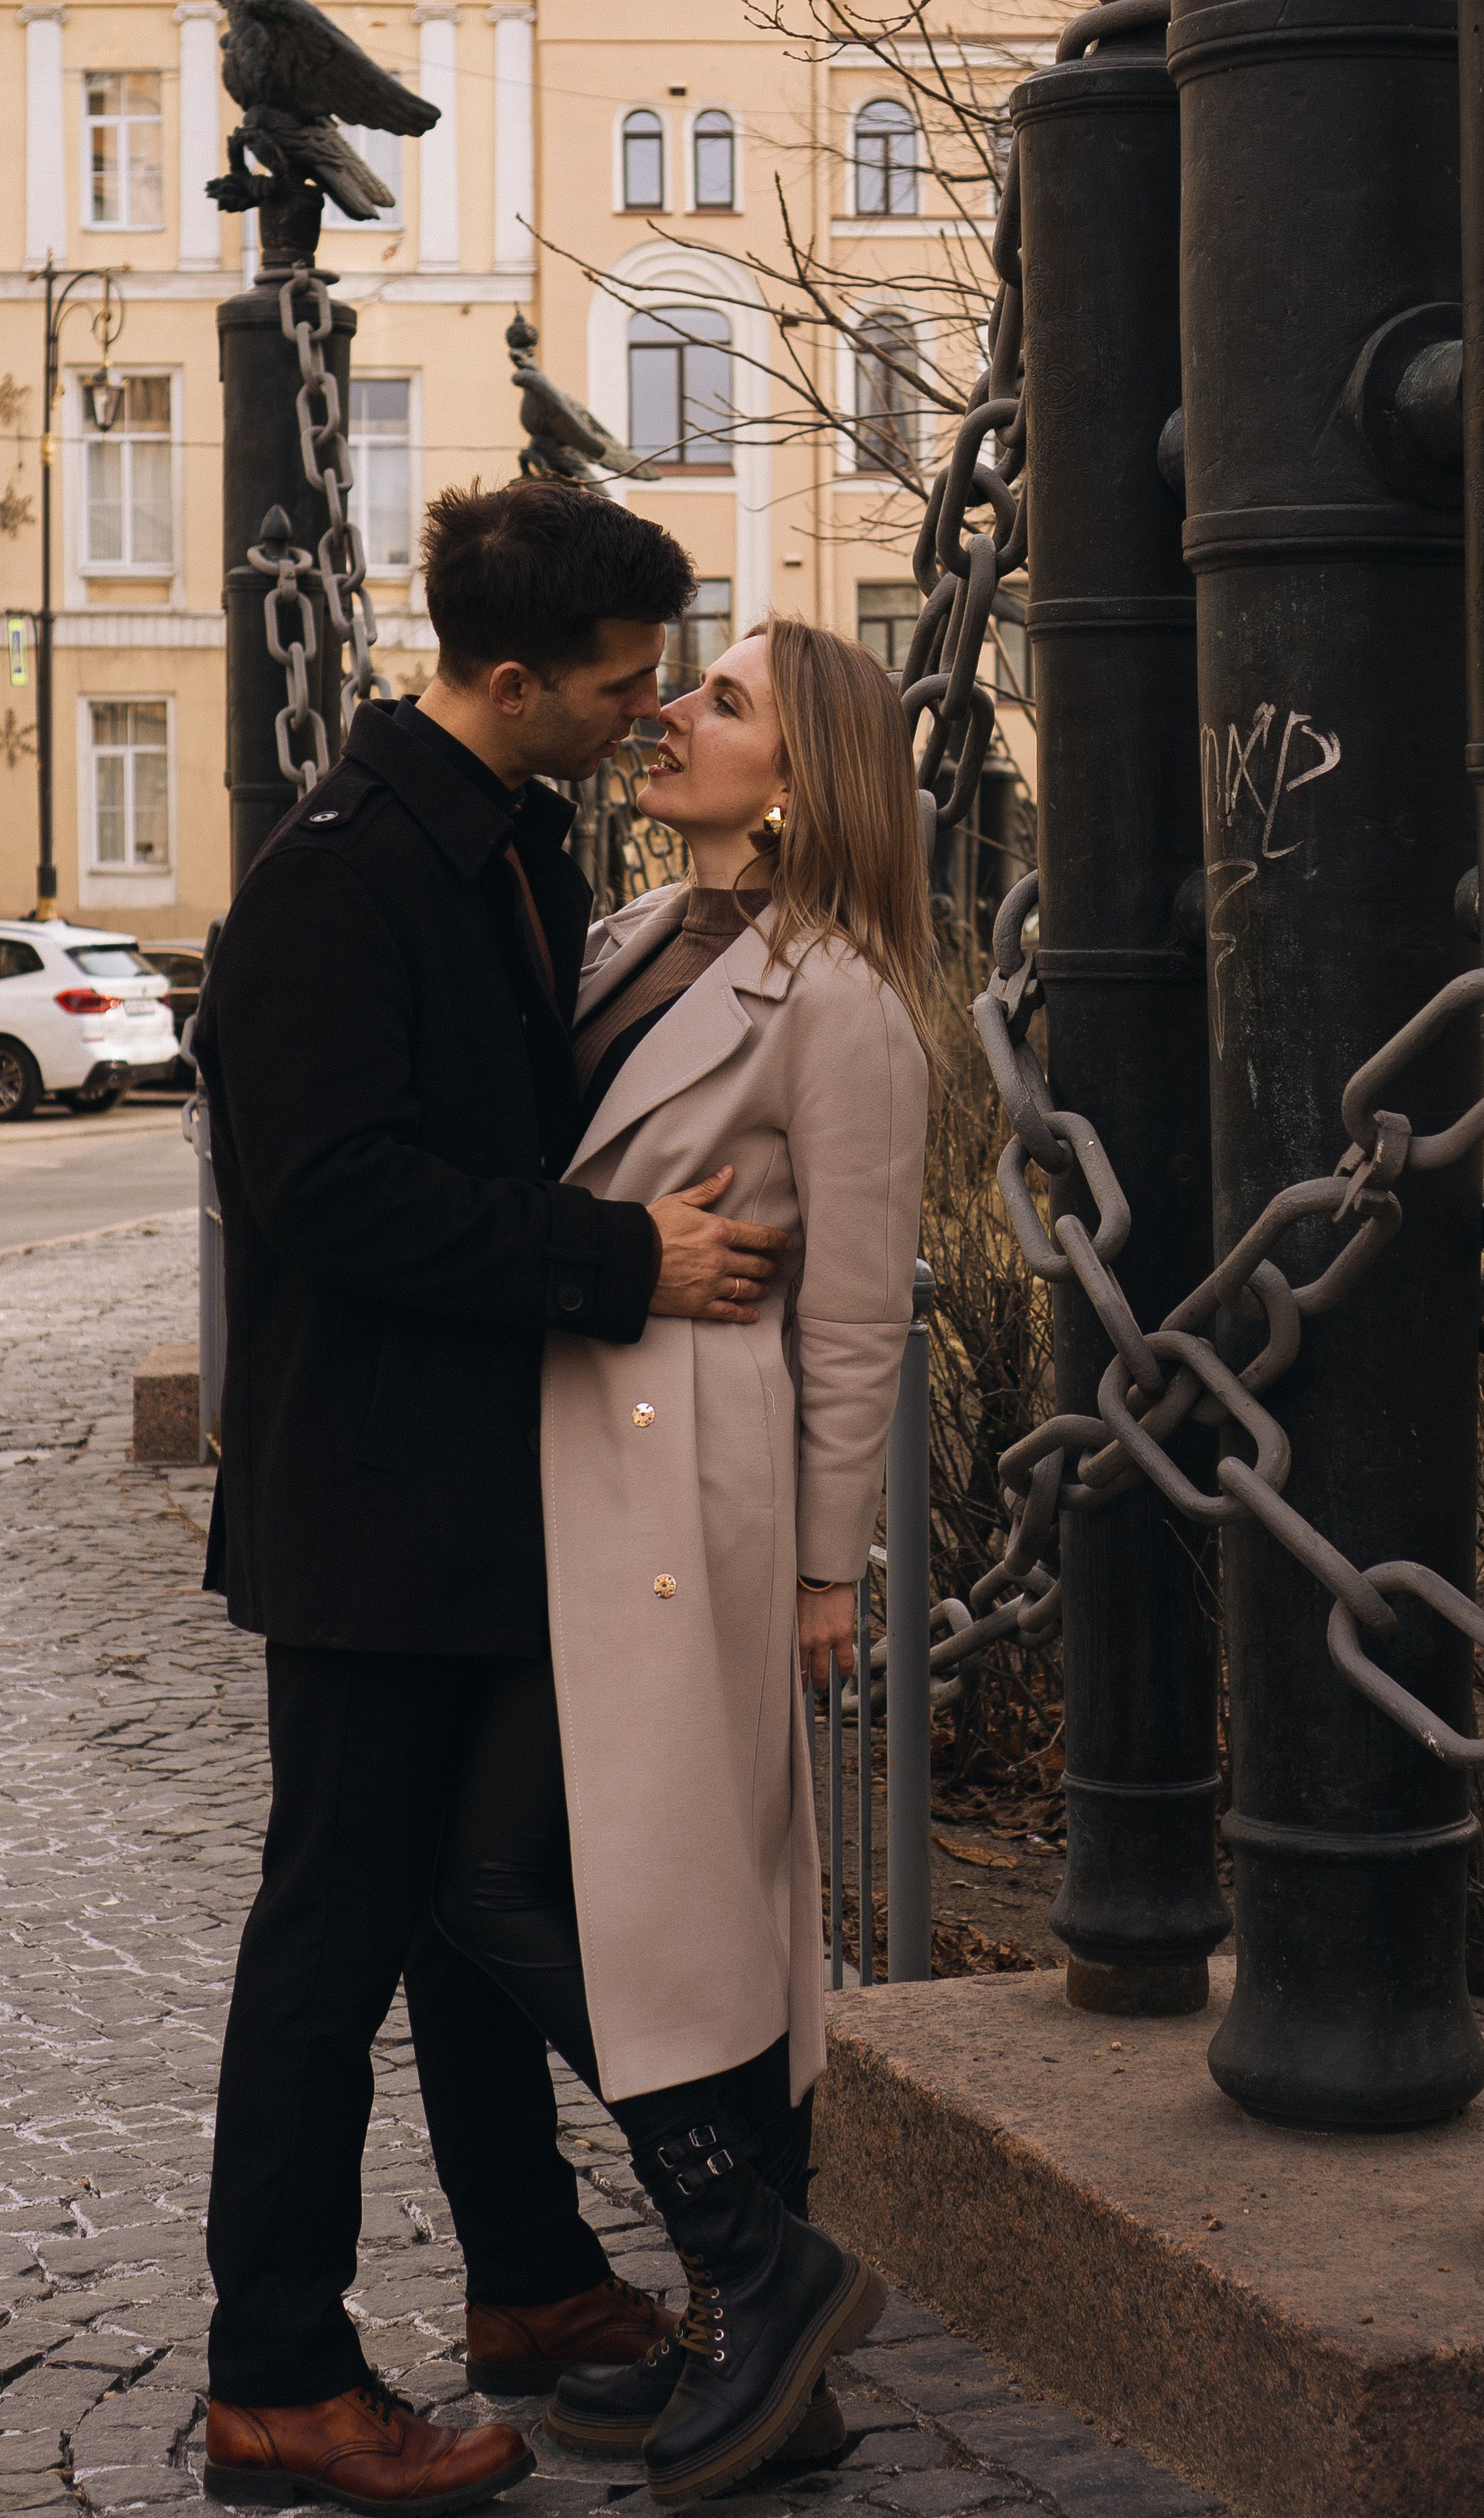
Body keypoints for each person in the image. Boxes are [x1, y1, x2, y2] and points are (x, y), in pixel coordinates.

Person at [194, 481, 794, 2516]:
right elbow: (330, 1194)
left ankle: (529, 2283)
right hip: (371, 1509)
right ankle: (276, 2377)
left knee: (464, 1918)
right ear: (513, 678)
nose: (646, 716)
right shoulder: (339, 878)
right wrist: (619, 1261)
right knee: (331, 1937)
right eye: (621, 687)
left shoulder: (510, 840)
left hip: (480, 1486)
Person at [434, 617, 936, 2510]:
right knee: (571, 1881)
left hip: (686, 1489)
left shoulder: (842, 1000)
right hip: (565, 1455)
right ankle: (764, 2319)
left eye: (719, 702)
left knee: (611, 1883)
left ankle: (752, 2280)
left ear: (797, 781)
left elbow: (858, 1314)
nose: (666, 713)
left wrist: (826, 1566)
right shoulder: (628, 934)